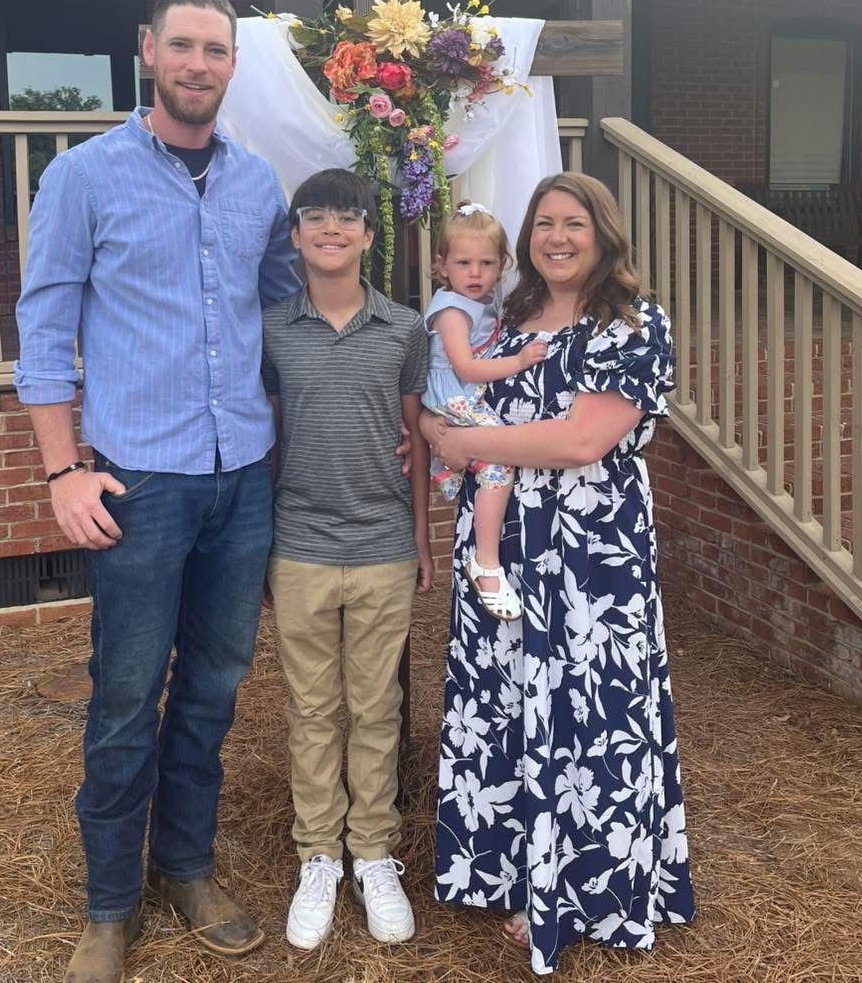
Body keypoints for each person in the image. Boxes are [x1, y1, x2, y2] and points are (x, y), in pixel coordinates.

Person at [14, 0, 302, 983]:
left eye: (214, 51)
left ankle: (185, 866)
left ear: (232, 65)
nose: (197, 65)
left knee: (214, 691)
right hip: (138, 482)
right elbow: (44, 331)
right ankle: (108, 902)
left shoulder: (259, 185)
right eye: (182, 46)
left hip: (243, 480)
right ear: (148, 50)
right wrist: (62, 468)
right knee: (127, 694)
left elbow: (285, 312)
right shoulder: (82, 178)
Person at [427, 172, 695, 975]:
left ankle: (587, 886)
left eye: (573, 223)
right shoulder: (510, 317)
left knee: (590, 707)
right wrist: (446, 430)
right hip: (504, 545)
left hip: (589, 554)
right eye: (543, 223)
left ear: (603, 233)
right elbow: (466, 396)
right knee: (506, 697)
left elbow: (582, 442)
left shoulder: (632, 323)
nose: (556, 237)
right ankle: (514, 872)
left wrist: (465, 445)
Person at [261, 168, 433, 952]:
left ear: (370, 235)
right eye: (315, 218)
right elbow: (259, 437)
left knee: (376, 709)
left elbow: (417, 443)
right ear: (294, 235)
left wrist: (424, 538)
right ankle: (318, 857)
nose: (331, 229)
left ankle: (373, 853)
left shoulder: (404, 329)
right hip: (297, 544)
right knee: (312, 708)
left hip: (381, 548)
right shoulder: (268, 330)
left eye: (347, 218)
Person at [423, 201, 547, 622]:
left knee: (493, 455)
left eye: (486, 263)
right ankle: (486, 562)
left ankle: (453, 471)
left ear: (502, 265)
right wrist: (520, 361)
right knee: (500, 465)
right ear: (442, 265)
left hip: (466, 396)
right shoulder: (452, 310)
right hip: (453, 396)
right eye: (463, 262)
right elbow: (466, 367)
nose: (475, 273)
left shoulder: (488, 303)